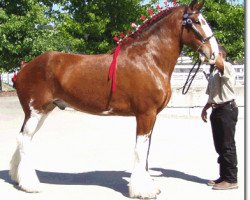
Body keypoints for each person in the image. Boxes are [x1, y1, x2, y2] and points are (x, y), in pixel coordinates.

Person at [201, 45, 238, 190]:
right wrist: (205, 108)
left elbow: (219, 62)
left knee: (227, 145)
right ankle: (223, 176)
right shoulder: (214, 72)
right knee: (220, 146)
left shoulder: (226, 66)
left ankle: (231, 179)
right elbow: (212, 95)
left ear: (220, 55)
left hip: (227, 109)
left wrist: (210, 52)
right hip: (217, 110)